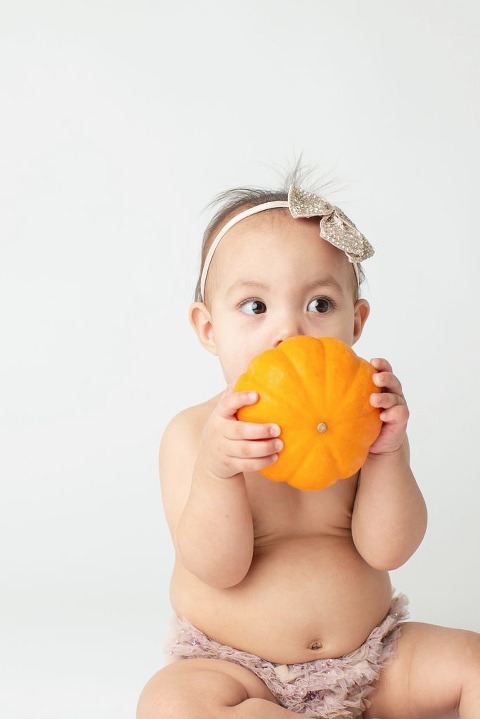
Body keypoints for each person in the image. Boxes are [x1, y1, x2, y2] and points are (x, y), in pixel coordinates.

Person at [137, 171, 480, 718]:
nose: (289, 331)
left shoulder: (365, 422)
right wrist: (217, 472)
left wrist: (388, 455)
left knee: (474, 661)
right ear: (208, 328)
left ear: (356, 322)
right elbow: (218, 568)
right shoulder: (193, 434)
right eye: (255, 306)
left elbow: (388, 550)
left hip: (371, 659)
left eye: (319, 305)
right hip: (238, 670)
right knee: (171, 704)